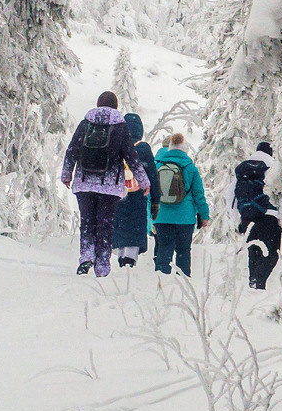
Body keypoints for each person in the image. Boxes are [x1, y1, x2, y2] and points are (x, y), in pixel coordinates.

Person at [59, 89, 138, 277]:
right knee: (105, 224)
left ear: (98, 104)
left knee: (88, 221)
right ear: (115, 106)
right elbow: (131, 155)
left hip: (84, 182)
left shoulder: (86, 123)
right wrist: (143, 181)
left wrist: (66, 174)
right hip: (110, 185)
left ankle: (86, 256)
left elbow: (72, 149)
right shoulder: (120, 125)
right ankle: (102, 265)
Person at [148, 131, 208, 275]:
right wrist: (204, 215)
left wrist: (151, 216)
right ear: (184, 148)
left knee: (164, 248)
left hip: (162, 216)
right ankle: (183, 282)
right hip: (185, 218)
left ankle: (161, 282)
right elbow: (199, 194)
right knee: (183, 251)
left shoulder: (157, 165)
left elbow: (151, 193)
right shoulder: (190, 167)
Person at [230, 139, 282, 290]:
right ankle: (261, 281)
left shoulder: (242, 169)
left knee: (253, 250)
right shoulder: (274, 167)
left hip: (248, 217)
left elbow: (231, 196)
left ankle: (254, 280)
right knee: (272, 253)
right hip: (270, 217)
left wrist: (238, 219)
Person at [111, 113, 160, 267]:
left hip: (118, 195)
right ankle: (130, 259)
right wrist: (155, 201)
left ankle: (121, 257)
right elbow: (152, 175)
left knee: (121, 227)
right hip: (138, 196)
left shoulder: (115, 145)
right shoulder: (143, 148)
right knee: (135, 228)